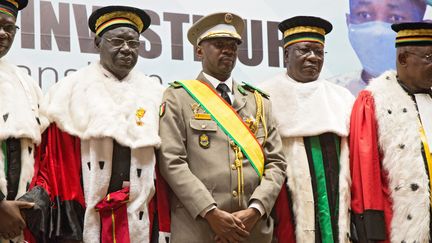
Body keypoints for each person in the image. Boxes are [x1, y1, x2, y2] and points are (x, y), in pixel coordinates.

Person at [32, 5, 165, 242]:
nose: (126, 49)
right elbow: (52, 163)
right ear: (97, 42)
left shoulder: (156, 94)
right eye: (117, 41)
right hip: (84, 211)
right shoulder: (69, 92)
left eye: (133, 43)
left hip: (141, 212)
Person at [157, 12, 286, 243]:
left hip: (252, 230)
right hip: (200, 228)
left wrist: (256, 209)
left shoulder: (259, 102)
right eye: (219, 44)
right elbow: (171, 161)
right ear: (199, 51)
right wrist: (210, 212)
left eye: (233, 46)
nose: (228, 50)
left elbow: (276, 163)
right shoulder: (179, 97)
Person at [260, 16, 354, 242]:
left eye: (319, 52)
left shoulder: (342, 98)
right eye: (305, 50)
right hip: (284, 206)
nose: (313, 57)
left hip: (337, 205)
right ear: (286, 55)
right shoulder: (263, 97)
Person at [349, 22, 432, 242]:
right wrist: (372, 231)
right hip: (398, 226)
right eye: (429, 58)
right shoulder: (373, 101)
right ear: (403, 58)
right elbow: (365, 174)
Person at [0, 0, 47, 242]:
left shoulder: (26, 83)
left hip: (17, 224)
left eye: (10, 27)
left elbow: (44, 153)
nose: (2, 33)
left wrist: (33, 198)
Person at [329, 0, 427, 96]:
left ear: (422, 29)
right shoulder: (329, 94)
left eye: (395, 17)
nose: (377, 32)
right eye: (364, 15)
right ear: (348, 22)